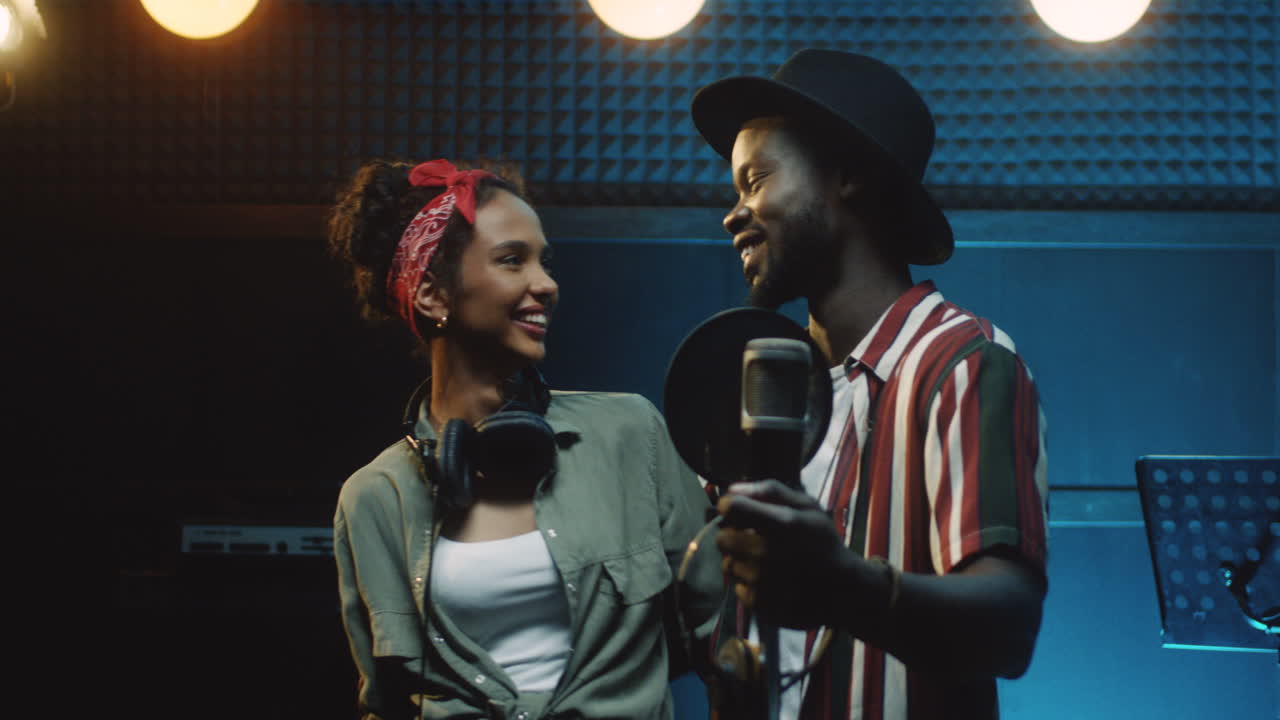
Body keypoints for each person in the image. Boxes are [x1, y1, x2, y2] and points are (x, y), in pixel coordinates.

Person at [689, 49, 1050, 720]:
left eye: (756, 179)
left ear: (847, 175)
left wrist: (838, 584)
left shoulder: (962, 360)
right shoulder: (767, 399)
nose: (733, 214)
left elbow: (1009, 625)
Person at [327, 158, 721, 720]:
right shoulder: (372, 498)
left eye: (545, 262)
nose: (547, 284)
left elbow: (720, 636)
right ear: (432, 295)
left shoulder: (631, 434)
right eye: (513, 260)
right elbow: (386, 703)